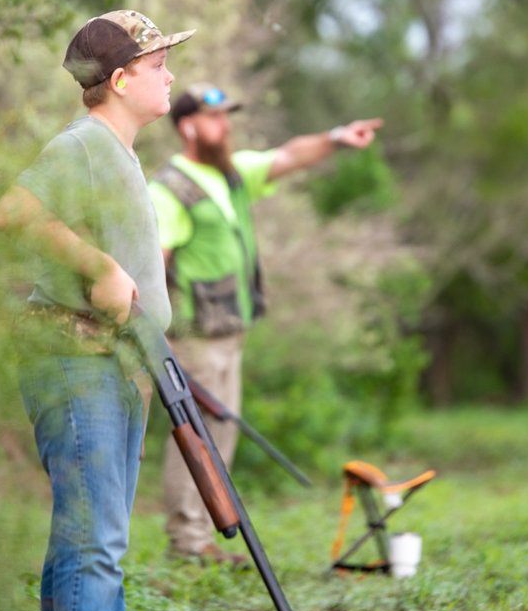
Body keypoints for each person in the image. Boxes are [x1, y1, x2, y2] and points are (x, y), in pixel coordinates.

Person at [0, 9, 193, 611]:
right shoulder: (83, 143)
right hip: (76, 363)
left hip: (113, 365)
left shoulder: (118, 152)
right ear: (118, 79)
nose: (170, 77)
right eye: (157, 66)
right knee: (95, 543)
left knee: (87, 543)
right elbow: (12, 211)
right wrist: (99, 267)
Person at [149, 83, 382, 564]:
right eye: (215, 118)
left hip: (230, 334)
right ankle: (187, 544)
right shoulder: (168, 189)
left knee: (221, 435)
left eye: (226, 117)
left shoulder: (231, 176)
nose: (225, 126)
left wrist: (338, 137)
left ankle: (202, 541)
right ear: (188, 126)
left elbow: (289, 156)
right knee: (195, 438)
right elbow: (154, 262)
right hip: (194, 338)